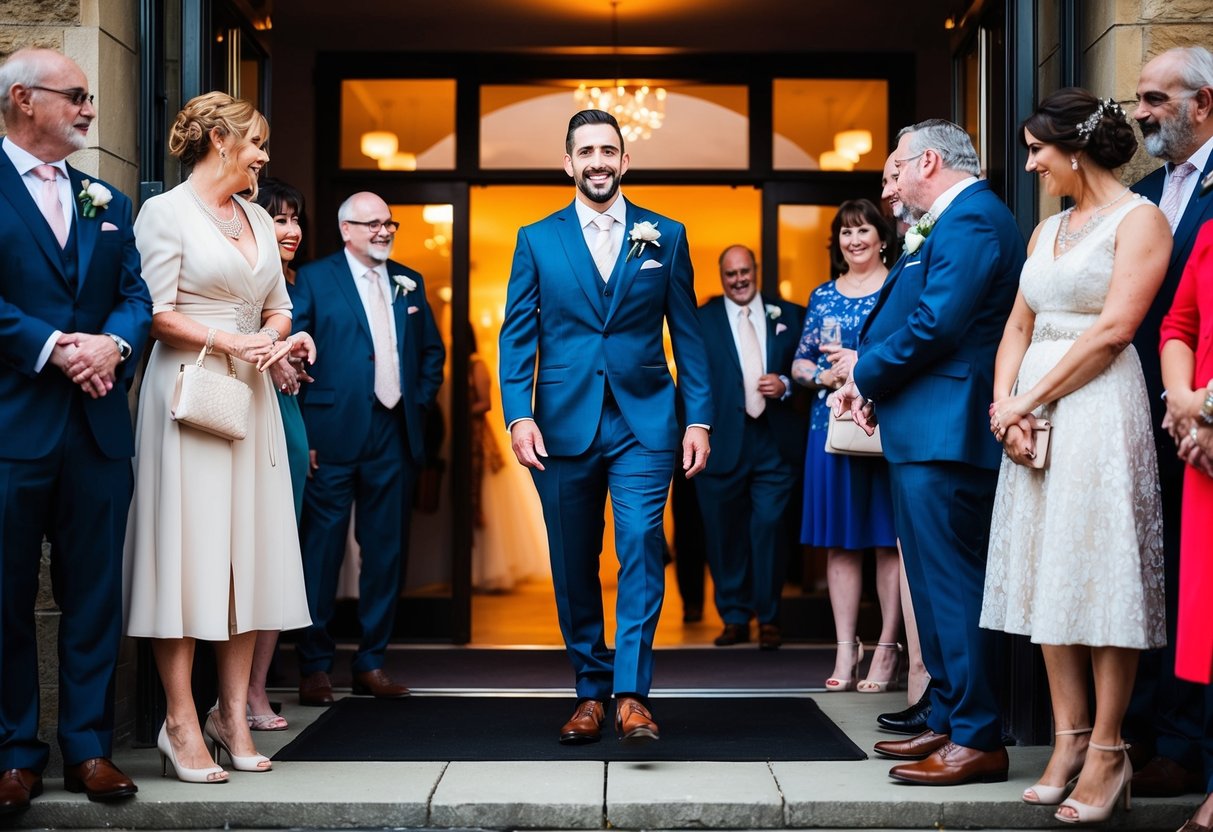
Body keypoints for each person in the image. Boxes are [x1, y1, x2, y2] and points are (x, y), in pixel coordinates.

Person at [980, 89, 1169, 824]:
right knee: (1044, 575)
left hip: (1095, 410)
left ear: (1074, 149)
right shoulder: (1045, 230)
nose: (1029, 163)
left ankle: (1109, 749)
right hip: (1027, 419)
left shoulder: (1140, 220)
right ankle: (1067, 739)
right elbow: (1016, 326)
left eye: (1036, 150)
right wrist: (1005, 407)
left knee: (1098, 573)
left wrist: (1028, 404)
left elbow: (1114, 330)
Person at [498, 109, 712, 744]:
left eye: (608, 150)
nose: (598, 161)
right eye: (586, 150)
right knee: (572, 559)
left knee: (644, 543)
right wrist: (518, 414)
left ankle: (630, 694)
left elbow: (689, 336)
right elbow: (517, 335)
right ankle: (588, 689)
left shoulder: (665, 235)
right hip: (562, 425)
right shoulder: (536, 239)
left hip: (646, 421)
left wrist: (697, 418)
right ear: (568, 163)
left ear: (625, 161)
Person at [125, 91, 313, 783]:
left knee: (248, 559)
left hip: (252, 394)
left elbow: (278, 303)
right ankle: (179, 721)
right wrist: (231, 337)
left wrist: (272, 338)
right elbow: (157, 314)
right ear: (217, 140)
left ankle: (230, 714)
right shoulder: (163, 214)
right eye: (255, 142)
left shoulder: (259, 216)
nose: (264, 155)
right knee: (186, 557)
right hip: (188, 397)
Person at [835, 119, 1024, 786]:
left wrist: (865, 373)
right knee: (930, 581)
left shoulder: (971, 219)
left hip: (948, 431)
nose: (887, 182)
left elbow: (937, 323)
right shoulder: (949, 221)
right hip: (923, 426)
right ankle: (946, 718)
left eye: (895, 166)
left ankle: (975, 737)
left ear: (929, 162)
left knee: (949, 586)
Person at [0, 47, 151, 812]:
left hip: (97, 432)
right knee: (5, 596)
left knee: (94, 596)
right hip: (11, 428)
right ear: (24, 99)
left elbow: (135, 295)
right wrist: (56, 347)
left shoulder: (106, 199)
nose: (90, 109)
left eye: (92, 97)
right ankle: (12, 754)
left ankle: (88, 751)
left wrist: (112, 344)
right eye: (77, 96)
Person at [289, 191, 445, 708]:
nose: (384, 232)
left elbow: (431, 354)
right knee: (321, 552)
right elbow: (296, 350)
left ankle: (372, 661)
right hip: (331, 433)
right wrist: (306, 430)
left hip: (393, 432)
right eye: (372, 224)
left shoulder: (411, 281)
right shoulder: (313, 278)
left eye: (389, 224)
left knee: (385, 552)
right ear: (346, 229)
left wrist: (417, 401)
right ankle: (314, 666)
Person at [1125, 45, 1213, 802]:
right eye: (1139, 99)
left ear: (1203, 101)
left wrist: (1198, 406)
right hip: (1147, 407)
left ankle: (1187, 745)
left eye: (1155, 99)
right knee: (1156, 574)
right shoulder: (1148, 191)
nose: (1142, 114)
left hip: (1202, 421)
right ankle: (1153, 729)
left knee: (1196, 582)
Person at [791, 200, 899, 689]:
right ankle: (844, 651)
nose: (854, 240)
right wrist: (823, 373)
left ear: (882, 238)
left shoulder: (898, 287)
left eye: (863, 231)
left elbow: (910, 347)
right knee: (841, 544)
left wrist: (862, 366)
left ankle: (886, 650)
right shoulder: (822, 296)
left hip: (882, 425)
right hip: (830, 430)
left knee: (887, 544)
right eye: (846, 233)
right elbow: (799, 362)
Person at [695, 245, 805, 650]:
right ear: (721, 276)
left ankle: (769, 617)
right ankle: (734, 616)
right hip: (722, 438)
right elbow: (691, 379)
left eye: (744, 271)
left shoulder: (789, 314)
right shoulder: (701, 319)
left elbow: (809, 368)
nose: (739, 279)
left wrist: (787, 384)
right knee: (723, 533)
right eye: (730, 274)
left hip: (774, 440)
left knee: (769, 528)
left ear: (755, 270)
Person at [245, 178, 315, 731]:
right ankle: (239, 692)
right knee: (249, 552)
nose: (290, 230)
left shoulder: (293, 283)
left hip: (287, 416)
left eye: (295, 220)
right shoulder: (243, 276)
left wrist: (294, 347)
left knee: (280, 550)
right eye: (279, 218)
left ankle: (255, 689)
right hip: (242, 407)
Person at [1160, 219, 1213, 832]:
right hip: (1201, 452)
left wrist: (1207, 407)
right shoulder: (1208, 232)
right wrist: (1184, 402)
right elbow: (1179, 326)